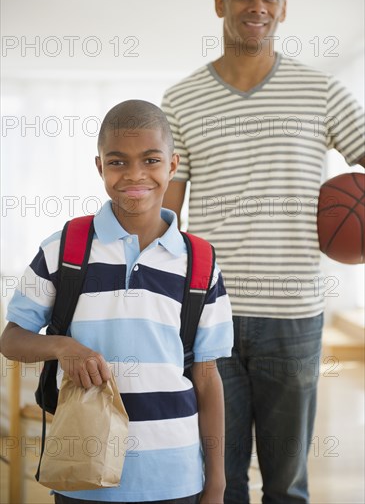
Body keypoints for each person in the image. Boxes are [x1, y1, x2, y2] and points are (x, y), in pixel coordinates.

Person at [161, 0, 365, 503]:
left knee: (287, 486)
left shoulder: (321, 92)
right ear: (220, 3)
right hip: (210, 314)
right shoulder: (181, 101)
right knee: (217, 482)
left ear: (283, 7)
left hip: (294, 317)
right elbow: (164, 218)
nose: (257, 6)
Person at [0, 100, 234, 504]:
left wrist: (216, 482)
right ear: (99, 167)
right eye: (118, 162)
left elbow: (207, 377)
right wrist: (62, 346)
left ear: (173, 165)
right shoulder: (63, 248)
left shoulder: (201, 262)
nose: (135, 175)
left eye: (151, 160)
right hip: (83, 473)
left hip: (176, 476)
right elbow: (11, 339)